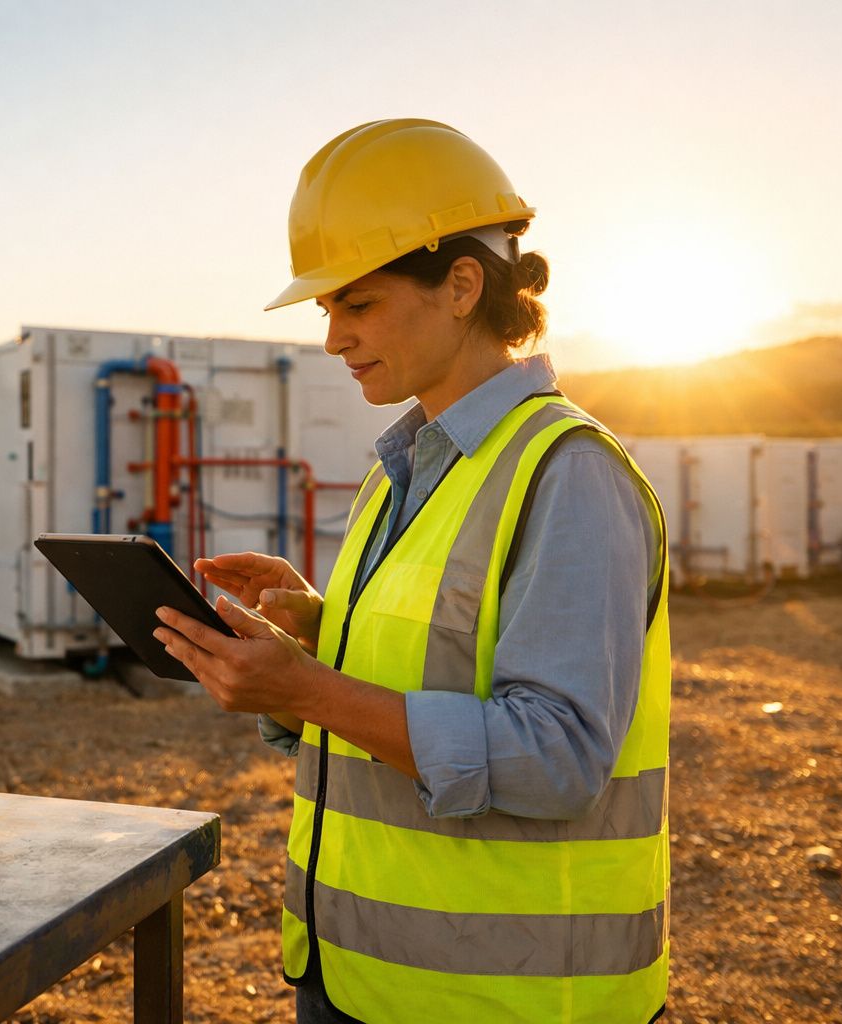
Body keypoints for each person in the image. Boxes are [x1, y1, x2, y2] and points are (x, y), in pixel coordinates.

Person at [152, 119, 670, 1023]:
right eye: (327, 312)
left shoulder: (569, 473)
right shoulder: (405, 469)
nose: (334, 339)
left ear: (462, 285)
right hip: (364, 976)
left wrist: (309, 689)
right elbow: (428, 664)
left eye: (359, 304)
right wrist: (318, 630)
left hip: (504, 999)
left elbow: (558, 757)